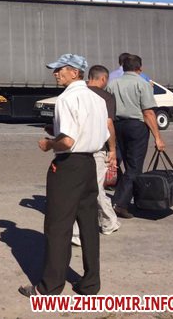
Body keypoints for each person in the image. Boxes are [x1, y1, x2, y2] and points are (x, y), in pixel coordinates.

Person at [19, 54, 108, 298]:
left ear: (74, 72)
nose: (55, 73)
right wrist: (56, 130)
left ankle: (49, 287)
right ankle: (91, 283)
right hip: (89, 163)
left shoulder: (67, 98)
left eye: (60, 69)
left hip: (68, 166)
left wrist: (49, 143)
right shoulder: (97, 99)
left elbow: (67, 141)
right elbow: (98, 133)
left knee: (58, 226)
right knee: (89, 224)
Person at [106, 54, 165, 219]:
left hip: (117, 126)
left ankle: (127, 199)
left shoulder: (112, 84)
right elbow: (148, 113)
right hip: (136, 127)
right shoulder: (142, 83)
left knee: (127, 165)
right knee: (134, 168)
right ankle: (119, 204)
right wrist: (158, 137)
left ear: (123, 67)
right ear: (140, 68)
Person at [71, 64, 120, 246]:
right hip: (98, 148)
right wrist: (112, 149)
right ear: (103, 79)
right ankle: (107, 223)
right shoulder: (105, 97)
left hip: (76, 149)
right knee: (95, 188)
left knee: (78, 189)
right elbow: (109, 124)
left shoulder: (77, 93)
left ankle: (80, 229)